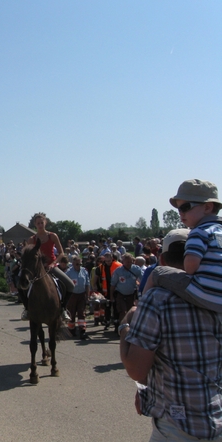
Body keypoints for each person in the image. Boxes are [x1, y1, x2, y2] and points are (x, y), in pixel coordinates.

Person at [119, 228, 222, 440]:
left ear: (162, 258)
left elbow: (137, 369)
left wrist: (124, 328)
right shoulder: (216, 295)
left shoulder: (156, 299)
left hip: (177, 425)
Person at [149, 179, 222, 313]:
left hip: (207, 294)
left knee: (157, 273)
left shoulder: (199, 232)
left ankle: (142, 309)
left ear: (207, 207)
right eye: (179, 209)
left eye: (185, 207)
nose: (180, 213)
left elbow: (190, 266)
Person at [26, 212, 75, 321]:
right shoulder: (31, 240)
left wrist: (53, 264)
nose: (40, 225)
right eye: (38, 223)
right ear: (35, 224)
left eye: (41, 222)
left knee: (70, 285)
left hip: (51, 267)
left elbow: (61, 253)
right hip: (37, 269)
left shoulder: (52, 236)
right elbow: (28, 255)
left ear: (45, 223)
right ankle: (27, 309)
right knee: (22, 285)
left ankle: (63, 309)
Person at [110, 253, 143, 328]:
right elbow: (113, 284)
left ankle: (130, 327)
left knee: (130, 311)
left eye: (130, 262)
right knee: (122, 311)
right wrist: (111, 296)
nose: (129, 263)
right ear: (123, 261)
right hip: (120, 294)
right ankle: (122, 328)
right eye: (127, 262)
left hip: (131, 294)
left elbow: (143, 280)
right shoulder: (118, 271)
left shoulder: (136, 269)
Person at [65, 255, 90, 338]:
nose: (78, 266)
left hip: (82, 295)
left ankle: (82, 330)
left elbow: (87, 284)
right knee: (71, 313)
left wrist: (87, 296)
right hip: (72, 295)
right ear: (73, 263)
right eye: (77, 264)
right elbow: (64, 285)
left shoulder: (84, 271)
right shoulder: (68, 272)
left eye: (80, 264)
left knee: (81, 313)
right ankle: (71, 330)